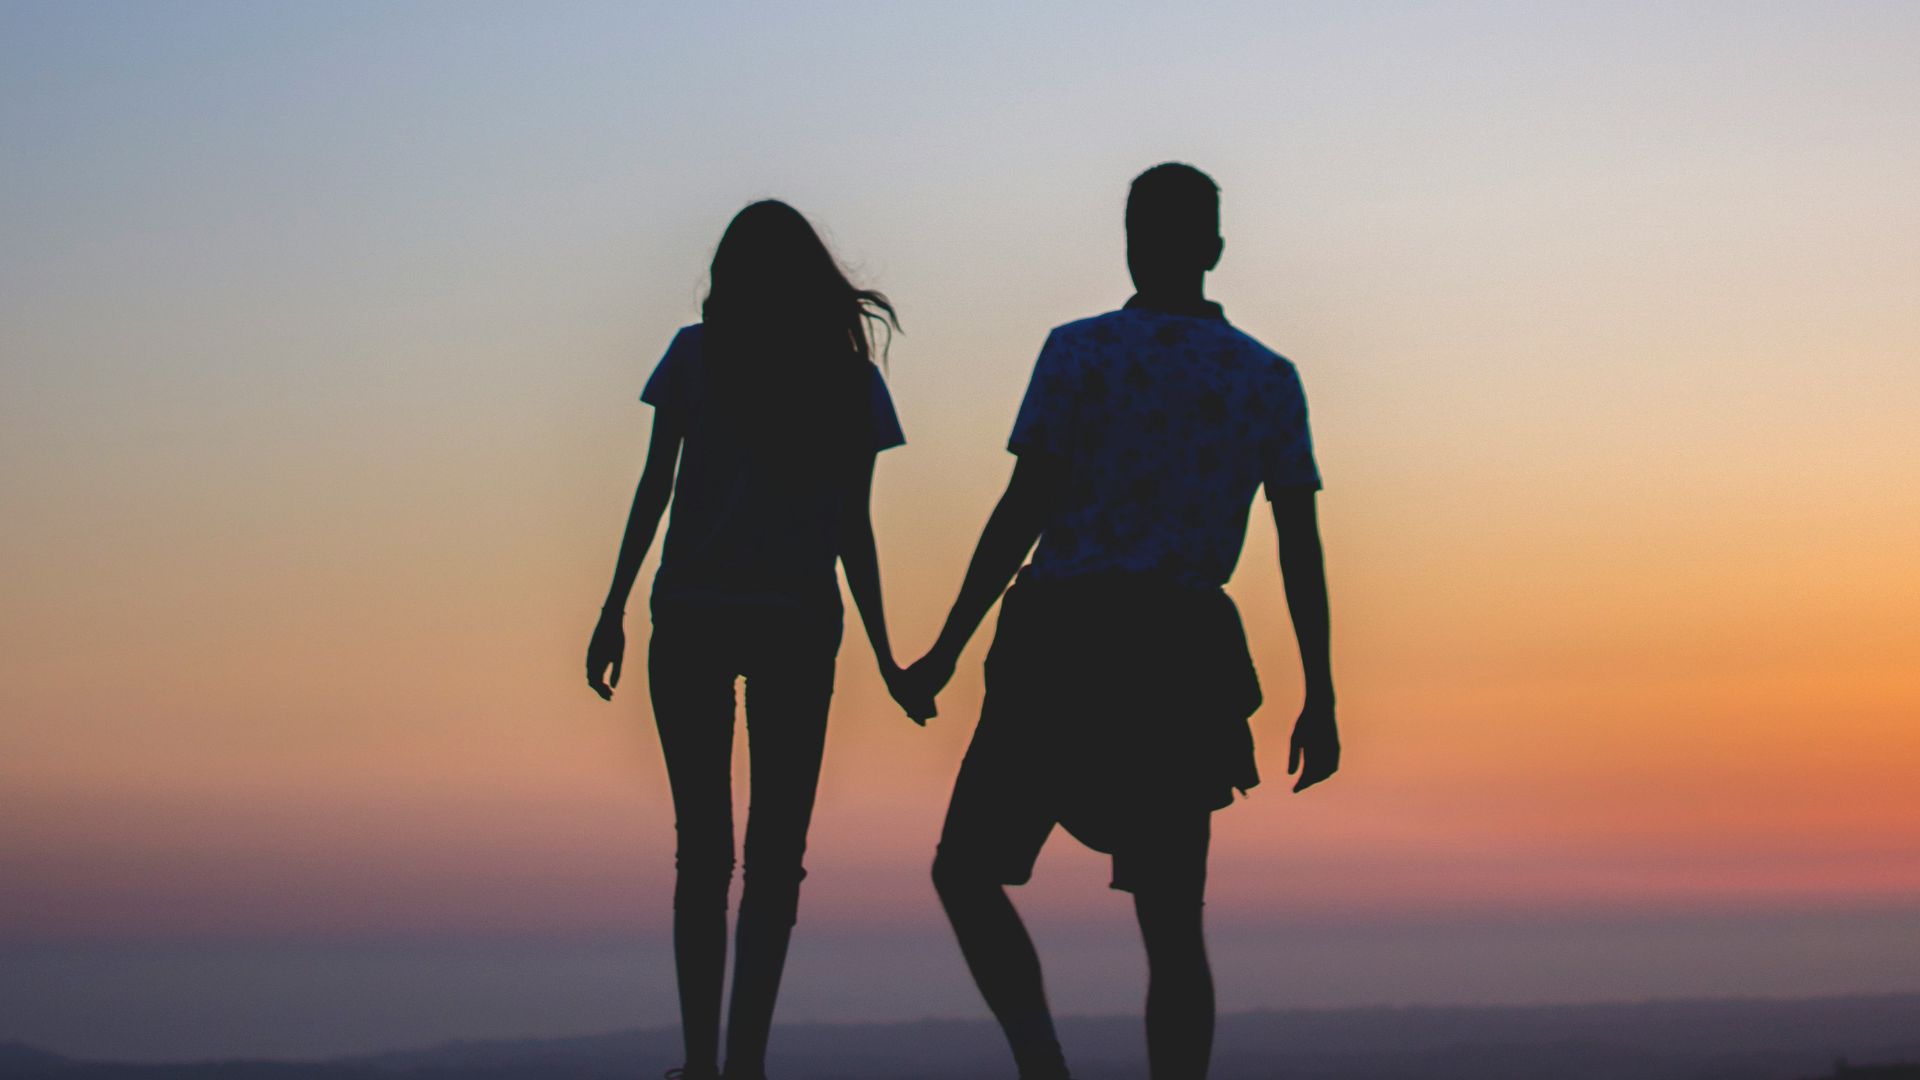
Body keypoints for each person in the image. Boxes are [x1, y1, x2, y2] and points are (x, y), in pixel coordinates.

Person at [903, 163, 1340, 1080]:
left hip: (1062, 644)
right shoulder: (1264, 376)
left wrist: (946, 648)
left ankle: (1042, 1064)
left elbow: (1023, 509)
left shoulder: (1079, 352)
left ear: (1134, 244)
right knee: (1172, 926)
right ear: (1214, 247)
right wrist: (1320, 694)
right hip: (1179, 656)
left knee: (966, 871)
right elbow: (1299, 546)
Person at [586, 200, 931, 1080]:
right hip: (795, 625)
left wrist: (613, 607)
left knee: (703, 854)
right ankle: (742, 1066)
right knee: (775, 862)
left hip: (693, 615)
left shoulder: (696, 355)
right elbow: (853, 529)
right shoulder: (848, 380)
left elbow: (655, 487)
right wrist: (887, 657)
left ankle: (704, 1065)